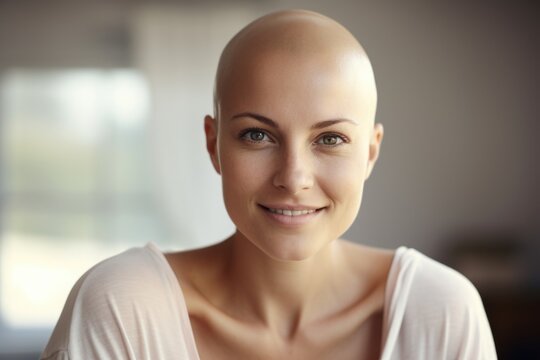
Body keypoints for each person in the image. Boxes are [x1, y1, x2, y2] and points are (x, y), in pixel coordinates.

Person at [41, 9, 497, 360]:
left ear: (370, 152)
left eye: (331, 138)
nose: (293, 177)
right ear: (214, 143)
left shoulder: (442, 311)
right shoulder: (122, 307)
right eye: (257, 135)